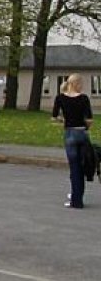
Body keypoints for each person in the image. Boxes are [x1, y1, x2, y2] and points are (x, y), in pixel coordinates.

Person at [52, 73, 93, 209]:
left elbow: (54, 116)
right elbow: (89, 120)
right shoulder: (84, 98)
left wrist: (63, 120)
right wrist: (86, 126)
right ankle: (77, 196)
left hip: (70, 133)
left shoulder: (60, 98)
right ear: (77, 84)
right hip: (82, 133)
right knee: (82, 167)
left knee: (74, 168)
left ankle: (76, 200)